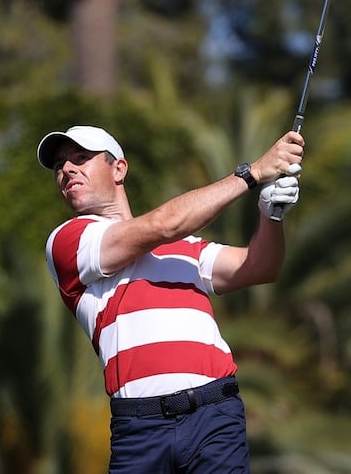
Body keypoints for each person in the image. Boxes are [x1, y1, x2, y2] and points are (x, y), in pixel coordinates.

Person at [37, 125, 304, 474]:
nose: (67, 170)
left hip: (215, 416)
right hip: (140, 429)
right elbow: (164, 224)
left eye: (81, 159)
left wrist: (271, 216)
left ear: (119, 169)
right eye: (60, 165)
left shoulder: (185, 246)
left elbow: (260, 267)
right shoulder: (68, 242)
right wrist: (252, 173)